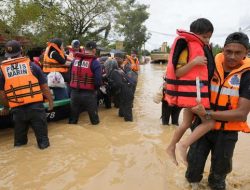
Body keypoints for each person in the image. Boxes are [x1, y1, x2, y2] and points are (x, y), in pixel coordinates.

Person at [185, 32, 250, 190]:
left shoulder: (248, 75)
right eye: (229, 51)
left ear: (246, 53)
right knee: (192, 171)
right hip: (201, 127)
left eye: (238, 52)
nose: (232, 56)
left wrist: (208, 113)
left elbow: (241, 114)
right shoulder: (209, 65)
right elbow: (191, 88)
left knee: (218, 178)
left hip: (226, 133)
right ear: (223, 49)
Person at [165, 18, 215, 165]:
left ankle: (170, 147)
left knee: (186, 123)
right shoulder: (187, 46)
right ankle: (183, 145)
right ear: (195, 33)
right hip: (194, 96)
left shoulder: (201, 47)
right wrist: (194, 62)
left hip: (195, 94)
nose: (207, 40)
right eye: (204, 37)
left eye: (209, 37)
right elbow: (178, 72)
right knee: (210, 122)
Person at [0, 40, 53, 149]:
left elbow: (2, 94)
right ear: (21, 50)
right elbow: (44, 88)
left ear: (7, 54)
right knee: (43, 143)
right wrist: (51, 102)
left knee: (19, 144)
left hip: (17, 111)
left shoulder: (2, 71)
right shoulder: (33, 66)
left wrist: (6, 107)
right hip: (36, 109)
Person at [68, 41, 102, 125]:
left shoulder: (74, 60)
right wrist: (95, 90)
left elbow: (69, 76)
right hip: (89, 94)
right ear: (94, 50)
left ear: (84, 49)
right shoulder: (95, 62)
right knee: (94, 122)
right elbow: (98, 81)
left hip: (74, 94)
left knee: (72, 121)